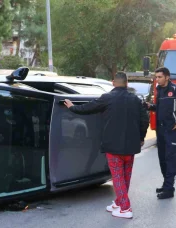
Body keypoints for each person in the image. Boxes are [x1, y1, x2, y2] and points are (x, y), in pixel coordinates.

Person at [64, 71, 149, 219]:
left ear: (113, 82)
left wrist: (72, 107)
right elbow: (145, 120)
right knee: (125, 176)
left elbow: (88, 108)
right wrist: (141, 137)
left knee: (117, 177)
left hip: (113, 147)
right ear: (127, 83)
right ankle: (118, 202)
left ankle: (125, 208)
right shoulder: (136, 99)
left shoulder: (107, 98)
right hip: (131, 147)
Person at [144, 67, 176, 199]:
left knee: (170, 159)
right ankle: (166, 184)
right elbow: (159, 108)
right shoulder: (159, 90)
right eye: (156, 77)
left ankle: (169, 189)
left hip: (171, 130)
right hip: (160, 130)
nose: (157, 79)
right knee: (162, 159)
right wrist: (149, 106)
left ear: (167, 77)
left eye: (159, 77)